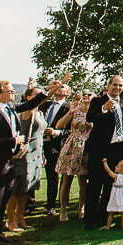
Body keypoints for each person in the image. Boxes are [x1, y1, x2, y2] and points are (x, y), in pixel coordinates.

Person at [0, 78, 49, 245]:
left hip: (10, 162)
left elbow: (27, 105)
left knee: (3, 200)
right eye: (9, 91)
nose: (13, 93)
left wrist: (46, 91)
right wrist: (13, 141)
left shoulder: (8, 108)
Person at [82, 76, 123, 229]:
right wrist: (104, 109)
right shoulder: (97, 101)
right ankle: (89, 218)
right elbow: (90, 118)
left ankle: (103, 217)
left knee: (109, 185)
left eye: (120, 85)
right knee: (94, 185)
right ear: (108, 85)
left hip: (116, 150)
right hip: (99, 150)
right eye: (115, 85)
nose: (117, 88)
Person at [7, 86, 47, 232]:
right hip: (24, 154)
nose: (41, 98)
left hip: (36, 153)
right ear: (28, 97)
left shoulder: (41, 112)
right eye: (37, 95)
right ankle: (10, 220)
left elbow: (40, 135)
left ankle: (20, 218)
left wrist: (42, 155)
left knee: (26, 189)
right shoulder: (27, 111)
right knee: (16, 189)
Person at [53, 91, 91, 222]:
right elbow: (58, 125)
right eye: (84, 95)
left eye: (89, 95)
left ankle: (82, 207)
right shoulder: (75, 110)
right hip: (72, 146)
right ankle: (63, 210)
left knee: (84, 181)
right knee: (66, 179)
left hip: (87, 147)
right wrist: (70, 112)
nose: (86, 97)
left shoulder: (96, 112)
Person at [39, 85, 71, 215]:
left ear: (68, 93)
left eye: (62, 87)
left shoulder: (69, 108)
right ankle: (47, 204)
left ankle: (57, 205)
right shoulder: (45, 105)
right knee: (49, 175)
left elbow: (71, 130)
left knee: (59, 177)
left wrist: (57, 132)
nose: (59, 88)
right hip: (42, 144)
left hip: (59, 145)